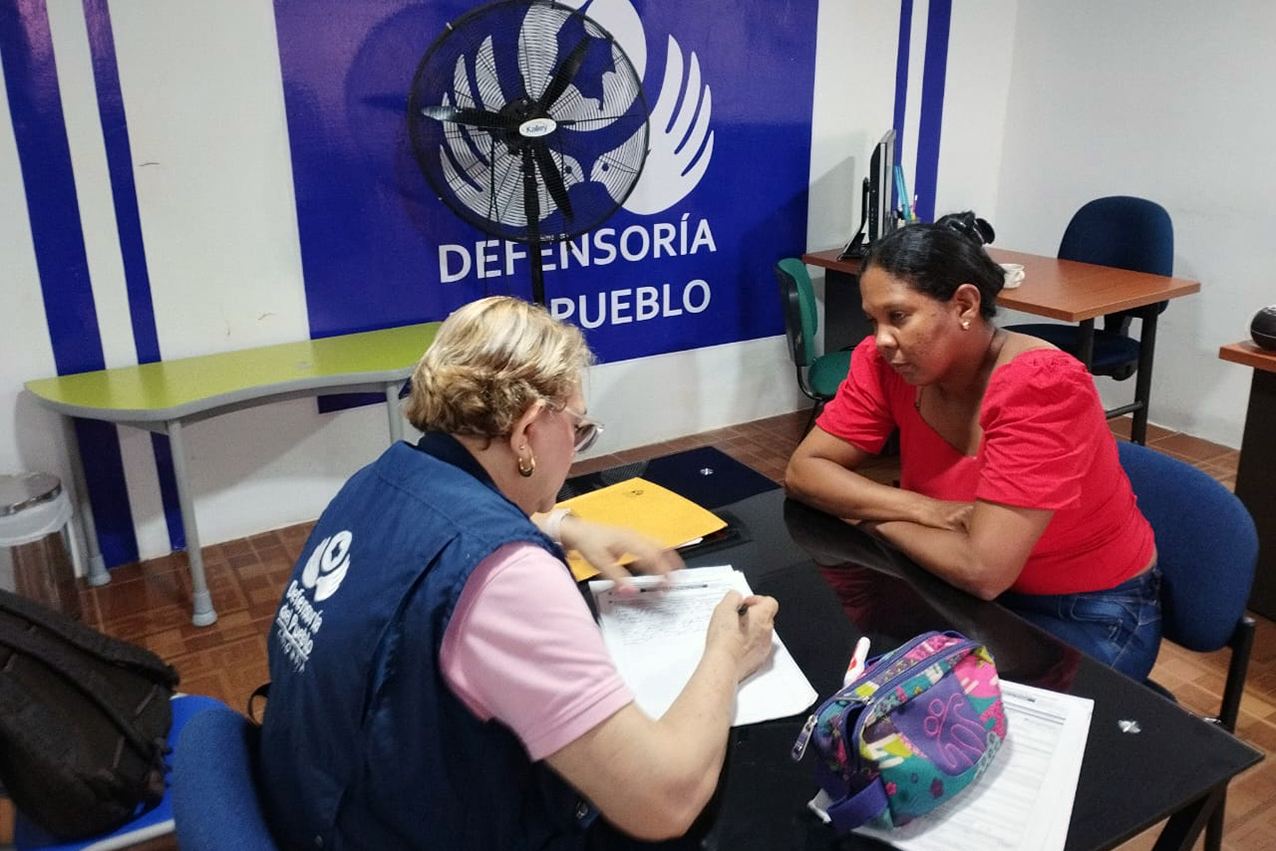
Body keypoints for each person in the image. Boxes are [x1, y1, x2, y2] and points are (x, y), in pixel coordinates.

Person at [258, 296, 778, 851]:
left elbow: (439, 543)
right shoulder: (505, 576)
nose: (576, 451)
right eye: (578, 428)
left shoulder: (379, 479)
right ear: (528, 431)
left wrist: (562, 526)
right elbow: (665, 802)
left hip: (324, 805)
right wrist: (726, 653)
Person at [784, 214, 1161, 681]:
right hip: (962, 589)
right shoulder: (887, 365)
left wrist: (862, 514)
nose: (881, 339)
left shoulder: (1041, 388)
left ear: (964, 305)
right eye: (874, 320)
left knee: (954, 723)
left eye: (898, 316)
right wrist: (921, 509)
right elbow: (805, 470)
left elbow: (982, 569)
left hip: (1084, 610)